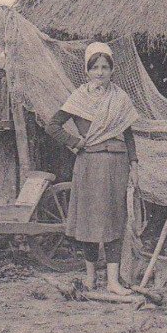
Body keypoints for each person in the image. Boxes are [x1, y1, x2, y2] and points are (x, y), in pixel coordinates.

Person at [45, 42, 140, 294]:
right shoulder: (79, 98)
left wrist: (134, 163)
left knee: (114, 220)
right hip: (89, 164)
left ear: (112, 70)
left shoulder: (120, 99)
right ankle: (90, 279)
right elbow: (52, 126)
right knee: (89, 222)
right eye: (95, 67)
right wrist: (75, 142)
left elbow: (128, 134)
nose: (100, 72)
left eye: (105, 67)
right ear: (87, 71)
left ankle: (113, 281)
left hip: (117, 165)